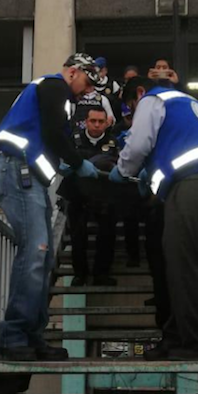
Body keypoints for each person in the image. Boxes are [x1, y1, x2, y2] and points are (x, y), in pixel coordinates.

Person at [0, 53, 101, 361]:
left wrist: (65, 162)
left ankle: (30, 335)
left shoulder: (52, 91)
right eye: (87, 81)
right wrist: (79, 163)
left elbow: (47, 138)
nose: (86, 90)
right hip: (18, 172)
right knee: (36, 252)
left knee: (43, 256)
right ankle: (14, 337)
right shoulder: (56, 87)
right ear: (73, 72)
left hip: (27, 176)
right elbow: (53, 133)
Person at [109, 76, 198, 361]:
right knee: (180, 266)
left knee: (183, 267)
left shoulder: (154, 99)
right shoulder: (191, 104)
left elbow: (138, 146)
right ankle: (175, 336)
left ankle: (197, 344)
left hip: (190, 188)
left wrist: (123, 170)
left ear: (139, 93)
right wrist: (150, 173)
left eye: (130, 108)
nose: (130, 115)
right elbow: (176, 145)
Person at [65, 106, 120, 286]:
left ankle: (101, 274)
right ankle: (80, 274)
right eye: (93, 121)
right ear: (86, 122)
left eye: (101, 121)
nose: (96, 125)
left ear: (106, 123)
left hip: (104, 195)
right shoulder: (73, 140)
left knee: (107, 235)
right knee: (77, 235)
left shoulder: (114, 142)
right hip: (78, 193)